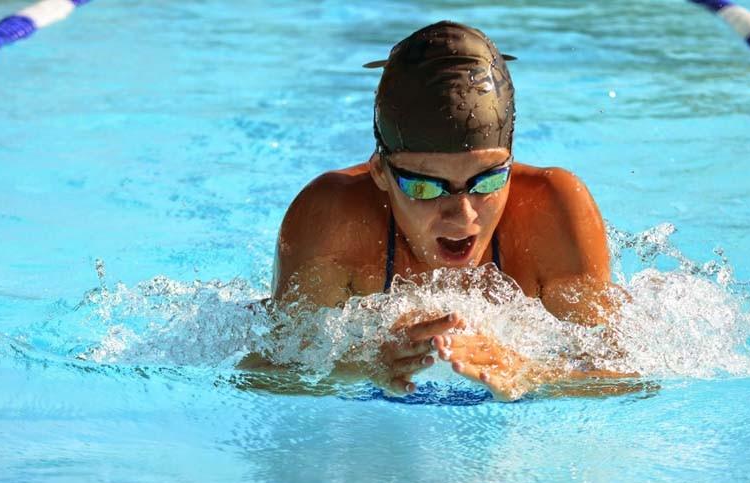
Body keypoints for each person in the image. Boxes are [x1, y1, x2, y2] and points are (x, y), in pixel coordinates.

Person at [248, 21, 626, 400]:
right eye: (425, 187)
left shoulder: (552, 210)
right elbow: (260, 374)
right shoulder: (333, 218)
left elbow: (625, 376)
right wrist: (358, 365)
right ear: (380, 171)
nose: (463, 216)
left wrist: (528, 373)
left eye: (488, 181)